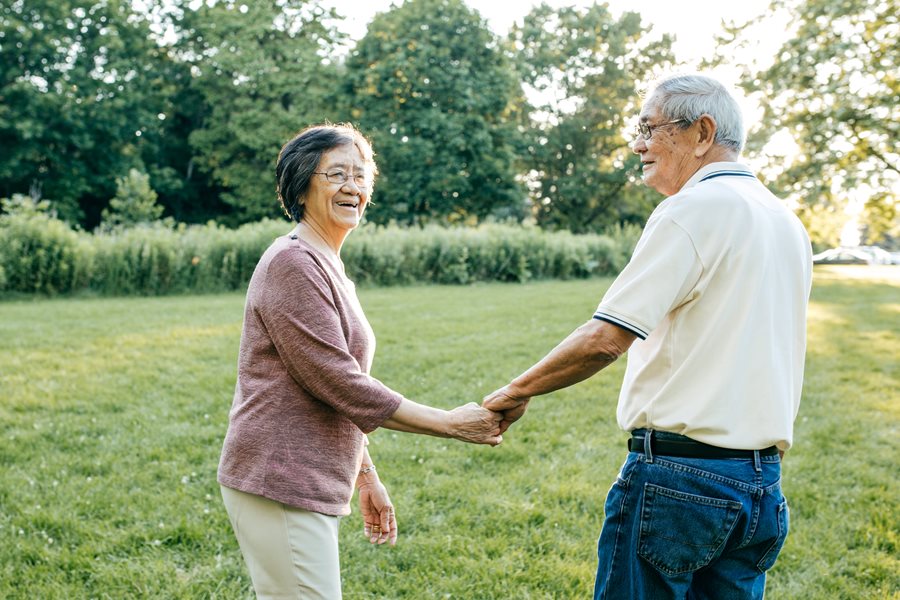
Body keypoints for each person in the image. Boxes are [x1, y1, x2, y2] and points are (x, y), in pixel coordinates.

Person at [483, 74, 812, 599]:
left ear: (702, 132)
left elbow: (605, 339)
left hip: (680, 483)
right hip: (761, 487)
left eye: (649, 127)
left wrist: (514, 391)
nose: (638, 144)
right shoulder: (785, 220)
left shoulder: (693, 208)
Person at [218, 123, 503, 599]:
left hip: (304, 477)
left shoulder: (325, 262)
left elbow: (334, 387)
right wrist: (450, 424)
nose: (354, 186)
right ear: (302, 185)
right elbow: (339, 381)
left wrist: (364, 474)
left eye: (361, 175)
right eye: (336, 174)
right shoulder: (292, 264)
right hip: (278, 477)